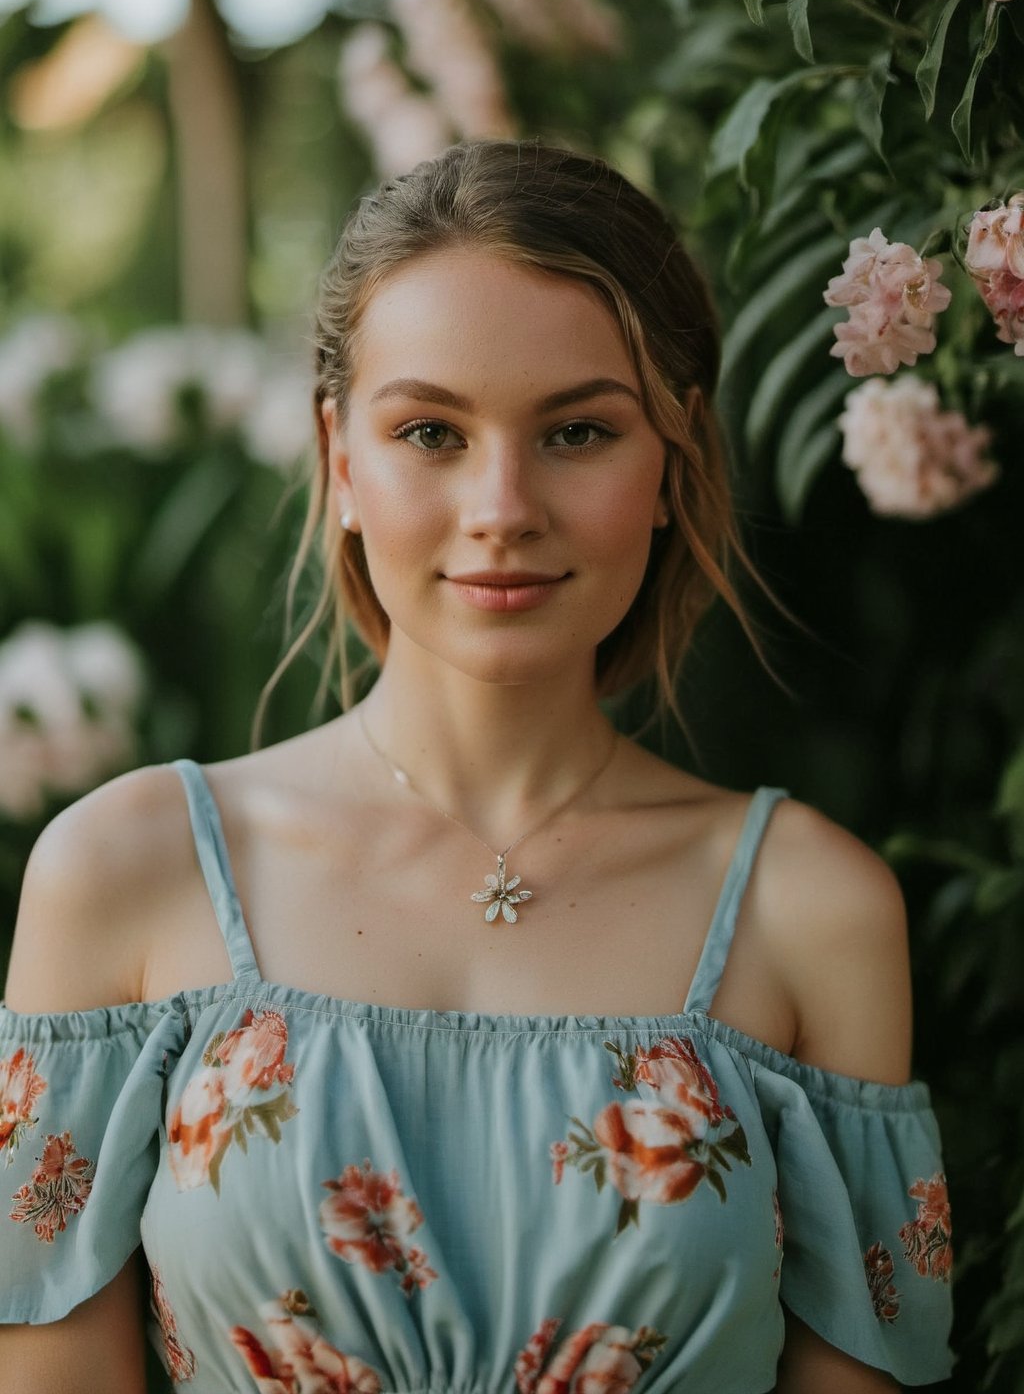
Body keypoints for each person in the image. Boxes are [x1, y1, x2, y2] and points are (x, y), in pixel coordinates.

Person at [0, 140, 953, 1394]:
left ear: (670, 461)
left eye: (576, 430)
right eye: (432, 431)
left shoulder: (811, 910)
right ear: (343, 460)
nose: (502, 504)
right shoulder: (126, 872)